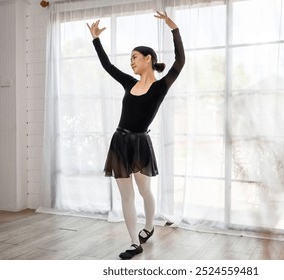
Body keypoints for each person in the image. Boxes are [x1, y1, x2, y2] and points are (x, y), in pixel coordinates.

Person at [87, 11, 185, 260]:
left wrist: (173, 28)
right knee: (126, 196)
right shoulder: (129, 83)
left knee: (144, 192)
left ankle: (149, 227)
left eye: (135, 58)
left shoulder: (161, 86)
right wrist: (96, 39)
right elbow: (108, 66)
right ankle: (134, 243)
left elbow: (180, 61)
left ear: (148, 59)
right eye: (130, 59)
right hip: (120, 142)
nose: (131, 62)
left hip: (141, 143)